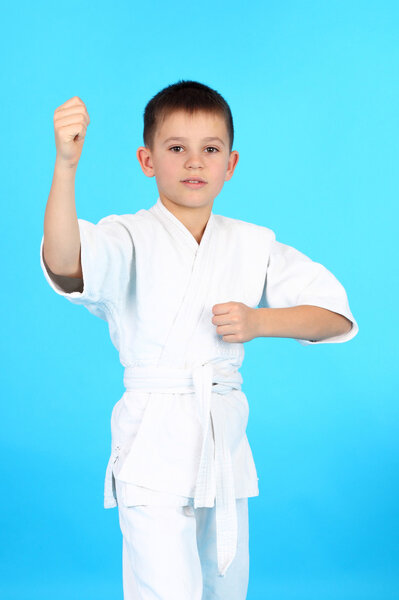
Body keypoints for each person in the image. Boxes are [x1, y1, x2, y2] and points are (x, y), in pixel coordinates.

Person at [40, 80, 359, 600]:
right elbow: (66, 261)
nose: (194, 162)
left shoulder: (253, 243)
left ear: (230, 164)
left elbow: (334, 315)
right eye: (176, 148)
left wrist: (260, 322)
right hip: (152, 446)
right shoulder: (127, 236)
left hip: (223, 447)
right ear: (147, 160)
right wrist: (66, 165)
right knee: (166, 590)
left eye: (209, 149)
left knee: (223, 588)